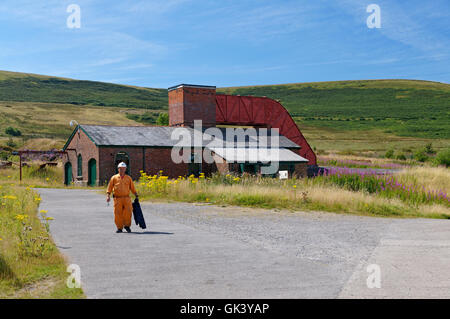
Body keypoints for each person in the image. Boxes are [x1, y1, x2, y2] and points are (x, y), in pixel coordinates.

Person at [106, 162, 138, 233]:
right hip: (117, 198)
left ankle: (127, 226)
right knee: (117, 213)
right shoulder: (114, 178)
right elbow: (110, 187)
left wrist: (136, 194)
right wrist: (108, 196)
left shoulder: (128, 178)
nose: (122, 170)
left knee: (128, 212)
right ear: (118, 169)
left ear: (126, 169)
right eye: (121, 169)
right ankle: (119, 227)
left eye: (124, 168)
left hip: (127, 198)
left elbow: (132, 187)